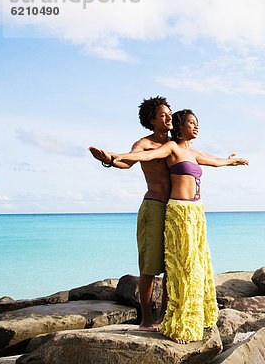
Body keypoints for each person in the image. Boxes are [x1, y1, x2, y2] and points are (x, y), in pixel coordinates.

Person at [111, 109, 248, 343]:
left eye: (197, 123)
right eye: (192, 123)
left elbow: (213, 161)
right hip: (179, 211)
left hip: (197, 212)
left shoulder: (191, 150)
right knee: (181, 266)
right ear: (180, 126)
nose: (196, 127)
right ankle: (175, 323)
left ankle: (186, 316)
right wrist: (115, 157)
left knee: (196, 265)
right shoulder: (171, 147)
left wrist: (231, 161)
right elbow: (144, 156)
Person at [88, 96, 172, 331]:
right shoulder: (144, 143)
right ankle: (146, 319)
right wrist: (111, 160)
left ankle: (163, 318)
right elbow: (130, 161)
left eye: (169, 113)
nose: (168, 117)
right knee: (148, 267)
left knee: (171, 268)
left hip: (175, 210)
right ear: (151, 120)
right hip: (154, 207)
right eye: (163, 115)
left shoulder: (175, 142)